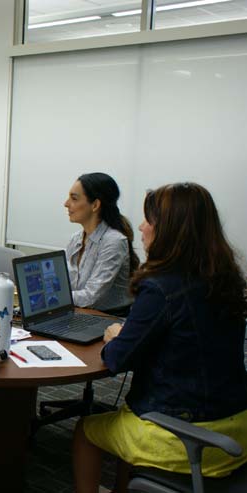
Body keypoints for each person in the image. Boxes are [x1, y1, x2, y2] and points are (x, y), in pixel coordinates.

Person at [72, 183, 247, 493]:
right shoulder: (225, 280)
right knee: (126, 416)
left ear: (170, 231)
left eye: (149, 220)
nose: (141, 227)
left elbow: (115, 360)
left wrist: (116, 335)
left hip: (183, 436)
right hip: (236, 430)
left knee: (86, 431)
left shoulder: (161, 288)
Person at [64, 172, 139, 312]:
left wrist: (54, 299)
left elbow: (90, 297)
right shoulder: (76, 239)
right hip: (80, 313)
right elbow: (63, 283)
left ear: (95, 205)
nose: (66, 204)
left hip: (109, 319)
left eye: (74, 198)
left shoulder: (114, 242)